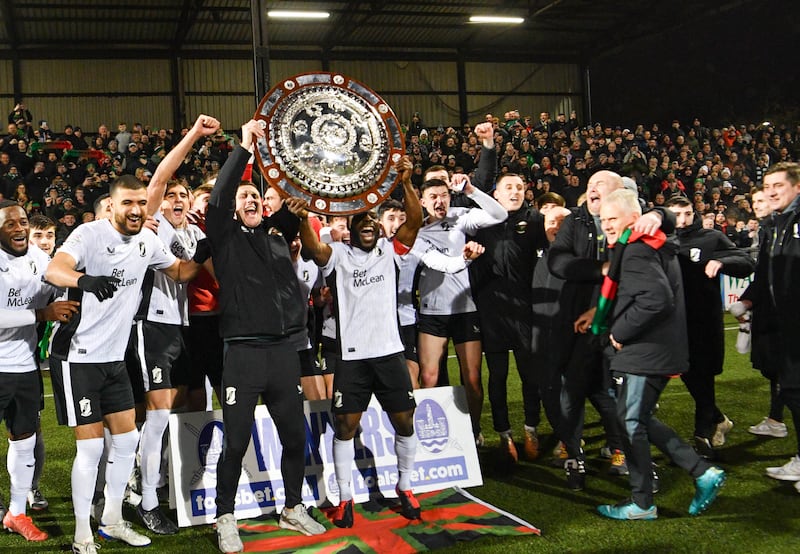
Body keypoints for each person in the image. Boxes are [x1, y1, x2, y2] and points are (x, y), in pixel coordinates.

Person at [45, 174, 204, 554]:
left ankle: (112, 520)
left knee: (127, 440)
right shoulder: (90, 235)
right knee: (90, 449)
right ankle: (83, 535)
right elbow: (55, 269)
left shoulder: (148, 241)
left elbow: (180, 273)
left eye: (141, 204)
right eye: (128, 203)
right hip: (78, 356)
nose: (136, 210)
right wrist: (83, 281)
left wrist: (210, 247)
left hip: (115, 359)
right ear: (112, 206)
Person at [285, 155, 427, 528]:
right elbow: (315, 250)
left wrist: (407, 182)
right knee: (345, 427)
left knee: (405, 422)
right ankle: (346, 496)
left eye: (371, 220)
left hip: (389, 354)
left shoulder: (391, 252)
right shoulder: (339, 255)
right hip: (351, 358)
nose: (367, 225)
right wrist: (303, 219)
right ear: (350, 226)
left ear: (380, 225)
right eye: (359, 220)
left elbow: (414, 220)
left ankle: (405, 485)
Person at [204, 119, 326, 554]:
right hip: (242, 354)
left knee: (295, 437)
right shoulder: (222, 233)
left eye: (256, 195)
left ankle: (292, 507)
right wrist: (245, 148)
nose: (251, 199)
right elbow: (220, 194)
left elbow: (299, 202)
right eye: (245, 196)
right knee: (236, 442)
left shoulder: (276, 235)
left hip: (282, 353)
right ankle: (224, 516)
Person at [594, 188, 726, 520]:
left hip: (647, 350)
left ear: (634, 219)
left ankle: (644, 501)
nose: (607, 225)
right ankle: (699, 472)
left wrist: (618, 332)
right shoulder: (649, 244)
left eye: (613, 218)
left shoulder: (637, 250)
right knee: (635, 418)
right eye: (603, 219)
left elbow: (655, 300)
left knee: (631, 420)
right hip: (653, 349)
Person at [128, 114, 219, 535]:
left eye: (184, 194)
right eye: (171, 195)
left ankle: (153, 477)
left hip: (183, 329)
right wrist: (195, 136)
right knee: (160, 412)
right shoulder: (157, 224)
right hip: (153, 325)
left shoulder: (190, 230)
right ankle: (146, 498)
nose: (177, 199)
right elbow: (161, 175)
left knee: (174, 409)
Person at [415, 121, 508, 444]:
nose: (439, 201)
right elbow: (438, 263)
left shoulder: (460, 217)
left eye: (443, 195)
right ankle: (429, 439)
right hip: (431, 313)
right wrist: (465, 260)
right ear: (422, 201)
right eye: (432, 196)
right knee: (428, 378)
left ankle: (473, 433)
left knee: (472, 379)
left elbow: (499, 216)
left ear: (449, 197)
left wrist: (470, 191)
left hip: (466, 309)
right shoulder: (415, 231)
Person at [0, 200, 79, 542]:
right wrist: (41, 314)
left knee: (24, 441)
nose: (19, 228)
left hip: (25, 366)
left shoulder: (37, 258)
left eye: (22, 221)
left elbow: (52, 288)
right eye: (10, 223)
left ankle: (17, 513)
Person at [468, 172, 550, 463]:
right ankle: (504, 436)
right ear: (495, 194)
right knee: (498, 376)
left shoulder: (536, 221)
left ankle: (530, 430)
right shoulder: (479, 221)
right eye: (508, 187)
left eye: (520, 187)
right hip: (491, 313)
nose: (515, 192)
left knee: (530, 375)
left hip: (526, 313)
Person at [664, 195, 754, 458]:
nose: (682, 220)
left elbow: (747, 263)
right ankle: (718, 418)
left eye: (687, 214)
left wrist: (722, 261)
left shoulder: (711, 238)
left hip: (703, 322)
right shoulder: (661, 240)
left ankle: (702, 436)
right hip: (672, 323)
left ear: (694, 213)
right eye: (676, 214)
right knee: (687, 373)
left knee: (702, 374)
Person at [741, 162, 800, 493]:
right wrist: (750, 300)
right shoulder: (777, 224)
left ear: (796, 187)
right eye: (768, 186)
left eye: (779, 185)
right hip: (787, 325)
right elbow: (768, 276)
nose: (772, 191)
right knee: (791, 389)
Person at [735, 188, 786, 438]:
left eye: (761, 200)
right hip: (770, 308)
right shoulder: (768, 229)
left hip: (780, 312)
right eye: (753, 201)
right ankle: (776, 418)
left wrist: (748, 300)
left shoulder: (778, 229)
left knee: (781, 369)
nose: (756, 204)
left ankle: (777, 420)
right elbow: (765, 273)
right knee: (774, 369)